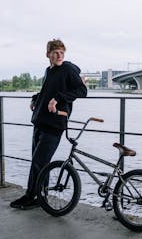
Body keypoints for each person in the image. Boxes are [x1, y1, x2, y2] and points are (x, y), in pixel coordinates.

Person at [10, 39, 87, 210]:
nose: (59, 55)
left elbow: (82, 91)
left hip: (54, 124)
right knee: (39, 162)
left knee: (39, 162)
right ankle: (40, 195)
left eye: (62, 52)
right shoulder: (48, 71)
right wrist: (36, 98)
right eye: (55, 52)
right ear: (48, 55)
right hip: (40, 122)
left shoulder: (68, 68)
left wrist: (58, 99)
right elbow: (47, 91)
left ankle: (31, 197)